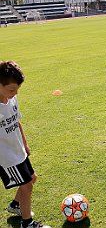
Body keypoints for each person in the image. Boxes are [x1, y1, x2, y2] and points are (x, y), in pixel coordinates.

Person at [0, 61, 51, 228]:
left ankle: (15, 205)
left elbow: (17, 122)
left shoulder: (12, 100)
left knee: (32, 178)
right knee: (26, 184)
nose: (14, 94)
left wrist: (25, 144)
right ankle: (27, 224)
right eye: (11, 90)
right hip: (6, 157)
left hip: (18, 150)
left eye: (17, 90)